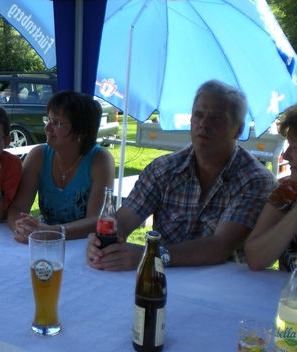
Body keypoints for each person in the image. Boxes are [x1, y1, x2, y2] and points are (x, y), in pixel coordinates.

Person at [86, 79, 276, 271]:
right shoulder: (163, 169)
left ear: (238, 130)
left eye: (216, 118)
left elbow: (220, 246)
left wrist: (152, 256)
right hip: (160, 281)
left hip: (222, 284)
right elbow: (124, 221)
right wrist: (104, 242)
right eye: (198, 115)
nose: (204, 124)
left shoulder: (254, 180)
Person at [7, 90, 115, 242]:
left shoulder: (100, 160)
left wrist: (53, 232)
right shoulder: (38, 155)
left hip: (86, 247)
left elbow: (96, 220)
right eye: (48, 120)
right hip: (45, 244)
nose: (47, 128)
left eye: (57, 122)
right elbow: (17, 208)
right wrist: (22, 228)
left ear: (82, 131)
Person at [245, 106, 297, 271]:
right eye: (288, 145)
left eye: (295, 148)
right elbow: (255, 258)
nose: (286, 155)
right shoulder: (286, 191)